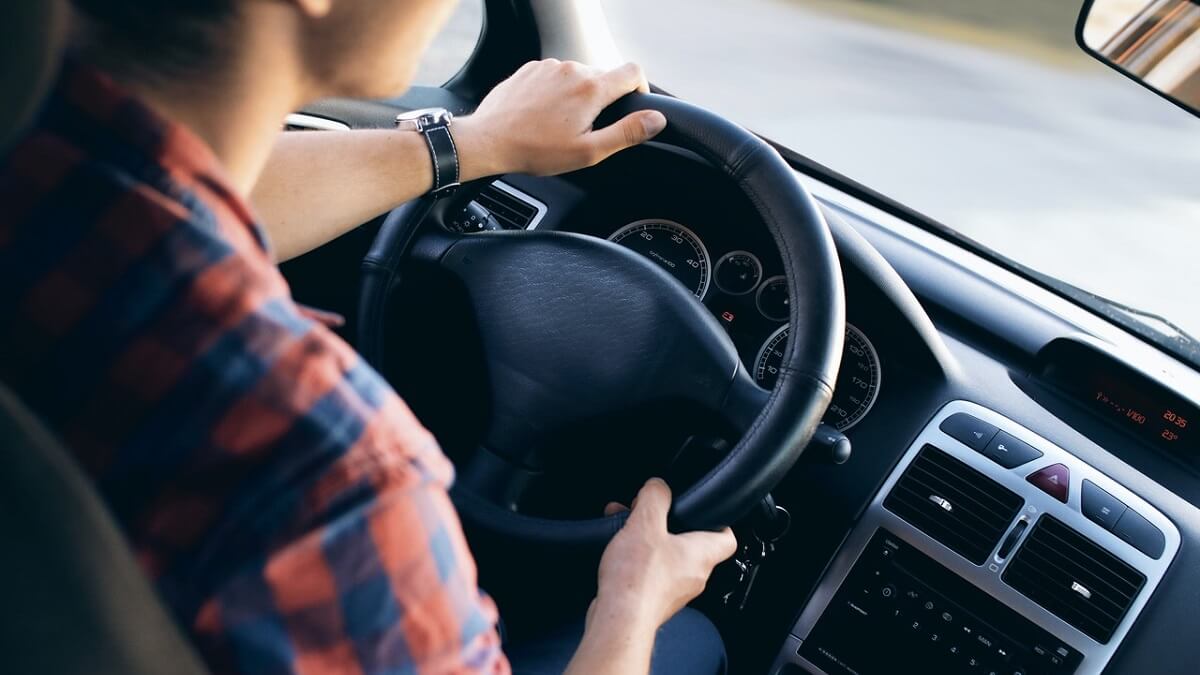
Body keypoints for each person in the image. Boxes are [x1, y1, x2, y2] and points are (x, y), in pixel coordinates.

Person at [0, 0, 738, 674]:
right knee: (689, 642)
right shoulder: (324, 469)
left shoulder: (38, 157)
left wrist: (474, 143)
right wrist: (630, 602)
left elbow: (189, 196)